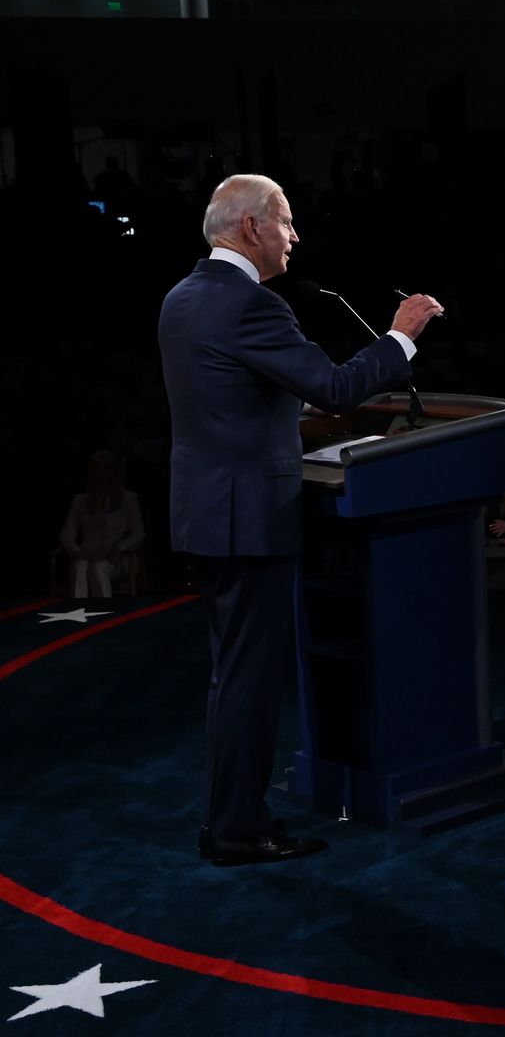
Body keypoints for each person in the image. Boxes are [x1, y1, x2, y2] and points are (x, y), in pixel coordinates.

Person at [159, 174, 442, 865]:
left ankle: (228, 818)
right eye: (286, 221)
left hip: (206, 515)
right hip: (248, 521)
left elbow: (227, 398)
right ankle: (237, 830)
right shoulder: (250, 305)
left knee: (234, 676)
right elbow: (339, 386)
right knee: (249, 682)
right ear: (251, 227)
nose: (294, 235)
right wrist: (400, 337)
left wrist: (290, 410)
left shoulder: (182, 298)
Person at [58, 450, 145, 597]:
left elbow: (138, 532)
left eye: (107, 468)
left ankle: (104, 611)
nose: (102, 473)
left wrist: (120, 548)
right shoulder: (80, 500)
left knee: (99, 567)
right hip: (88, 554)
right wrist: (75, 550)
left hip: (116, 558)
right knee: (80, 567)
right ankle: (78, 610)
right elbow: (67, 532)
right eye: (97, 468)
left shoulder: (128, 499)